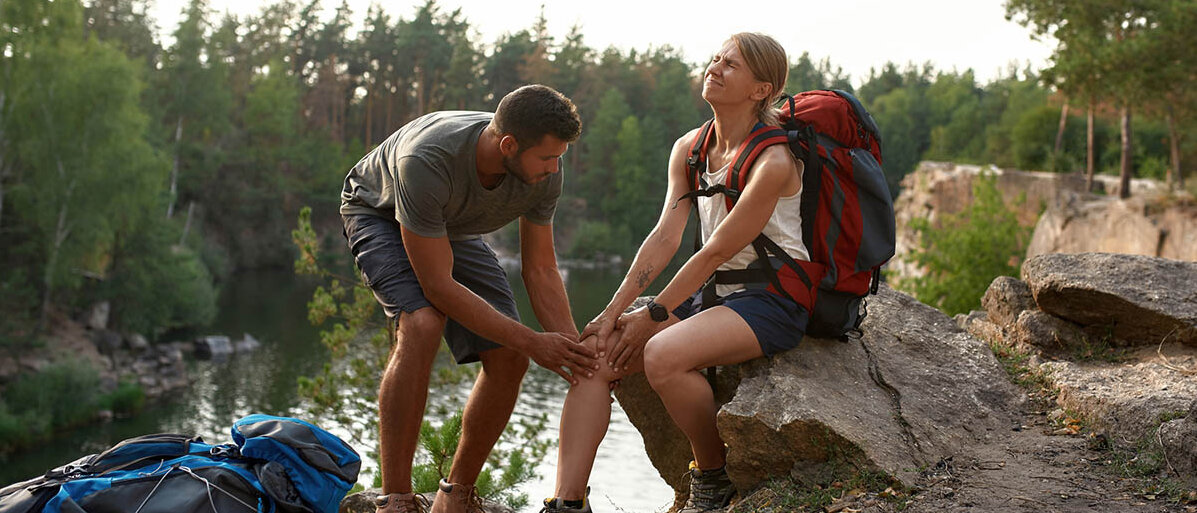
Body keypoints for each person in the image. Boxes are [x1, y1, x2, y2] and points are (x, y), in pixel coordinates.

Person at [541, 33, 808, 513]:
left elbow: (714, 252)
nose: (716, 67)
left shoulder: (774, 162)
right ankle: (568, 502)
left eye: (732, 65)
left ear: (761, 90)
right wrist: (612, 313)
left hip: (772, 300)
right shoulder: (691, 147)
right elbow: (665, 237)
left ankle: (712, 475)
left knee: (661, 351)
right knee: (595, 353)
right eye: (716, 58)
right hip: (710, 294)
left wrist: (654, 316)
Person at [340, 84, 600, 513]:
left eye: (560, 158)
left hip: (449, 225)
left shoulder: (544, 172)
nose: (555, 169)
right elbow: (438, 287)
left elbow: (540, 269)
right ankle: (396, 498)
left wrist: (571, 348)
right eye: (547, 158)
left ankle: (455, 495)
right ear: (509, 145)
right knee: (422, 324)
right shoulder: (426, 159)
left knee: (510, 358)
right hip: (379, 212)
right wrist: (534, 341)